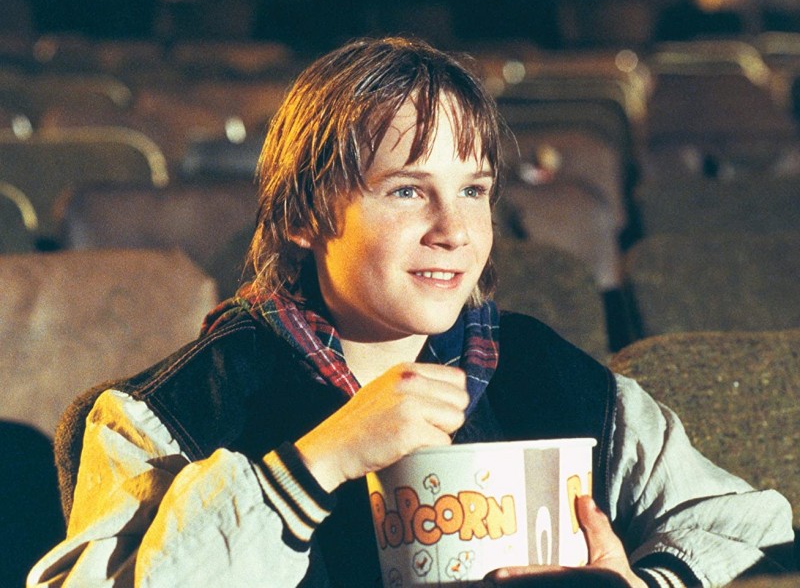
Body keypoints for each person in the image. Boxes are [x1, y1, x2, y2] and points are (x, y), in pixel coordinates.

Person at [28, 37, 793, 588]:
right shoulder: (169, 415)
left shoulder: (542, 368)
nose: (454, 230)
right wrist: (318, 462)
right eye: (406, 191)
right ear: (303, 216)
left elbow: (749, 519)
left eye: (473, 190)